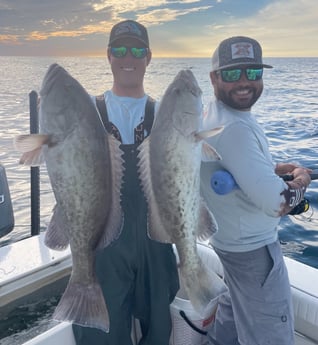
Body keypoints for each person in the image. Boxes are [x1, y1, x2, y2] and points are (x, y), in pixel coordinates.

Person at [72, 19, 179, 345]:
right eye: (120, 49)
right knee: (101, 333)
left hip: (155, 240)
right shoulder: (87, 110)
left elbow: (194, 161)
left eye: (137, 50)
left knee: (160, 329)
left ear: (149, 57)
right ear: (108, 56)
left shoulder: (164, 113)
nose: (127, 57)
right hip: (104, 243)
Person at [200, 36, 312, 345]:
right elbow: (277, 203)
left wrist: (271, 168)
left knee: (230, 322)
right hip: (254, 254)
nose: (245, 81)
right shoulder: (236, 128)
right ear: (214, 77)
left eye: (253, 72)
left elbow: (232, 165)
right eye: (233, 73)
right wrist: (301, 179)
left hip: (229, 244)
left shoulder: (213, 116)